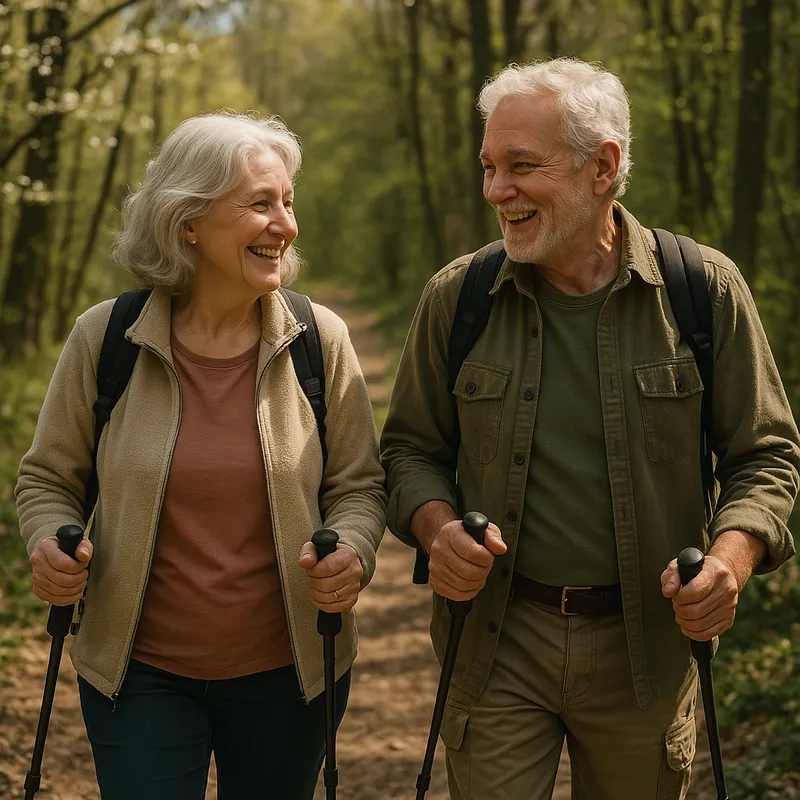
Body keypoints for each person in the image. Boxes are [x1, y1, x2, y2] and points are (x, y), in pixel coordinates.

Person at [381, 58, 800, 799]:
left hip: (647, 647)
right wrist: (436, 529)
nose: (495, 191)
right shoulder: (459, 297)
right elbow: (410, 449)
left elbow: (765, 457)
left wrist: (729, 563)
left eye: (521, 166)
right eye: (488, 167)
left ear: (603, 167)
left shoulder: (703, 291)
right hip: (497, 639)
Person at [16, 112, 386, 800]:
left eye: (288, 203)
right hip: (139, 675)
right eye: (259, 204)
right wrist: (47, 543)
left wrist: (355, 551)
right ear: (188, 221)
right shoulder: (108, 338)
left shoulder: (318, 340)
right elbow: (46, 479)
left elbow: (360, 486)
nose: (285, 224)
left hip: (291, 674)